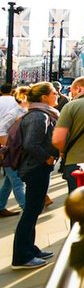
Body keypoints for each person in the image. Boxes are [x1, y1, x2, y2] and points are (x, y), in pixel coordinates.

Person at [12, 82, 60, 270]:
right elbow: (31, 144)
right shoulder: (39, 116)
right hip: (35, 168)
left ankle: (30, 248)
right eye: (54, 92)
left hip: (37, 167)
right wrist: (48, 158)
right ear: (43, 97)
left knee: (35, 209)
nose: (57, 94)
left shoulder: (42, 114)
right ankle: (21, 256)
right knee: (31, 212)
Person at [0, 84, 26, 218]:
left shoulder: (21, 110)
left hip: (10, 147)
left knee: (9, 181)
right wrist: (8, 147)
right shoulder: (15, 110)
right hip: (10, 149)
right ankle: (26, 208)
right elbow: (2, 129)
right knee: (17, 180)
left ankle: (0, 207)